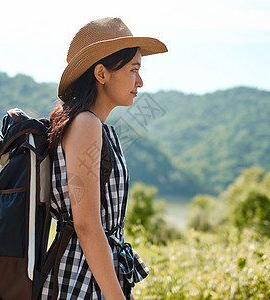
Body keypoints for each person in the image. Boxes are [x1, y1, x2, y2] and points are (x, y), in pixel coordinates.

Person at [41, 17, 167, 299]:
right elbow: (86, 225)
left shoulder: (93, 126)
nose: (141, 81)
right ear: (101, 74)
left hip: (91, 274)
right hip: (81, 281)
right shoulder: (86, 125)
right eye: (134, 69)